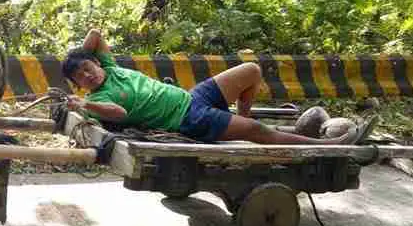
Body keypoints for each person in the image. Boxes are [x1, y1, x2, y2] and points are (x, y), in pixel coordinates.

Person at [62, 28, 375, 145]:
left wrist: (77, 57)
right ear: (78, 86)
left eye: (89, 68)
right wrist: (84, 103)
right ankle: (325, 145)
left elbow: (95, 34)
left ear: (97, 63)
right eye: (81, 78)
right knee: (258, 131)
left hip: (192, 97)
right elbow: (117, 113)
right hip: (188, 120)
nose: (88, 76)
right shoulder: (98, 97)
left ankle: (245, 127)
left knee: (251, 69)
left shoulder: (111, 67)